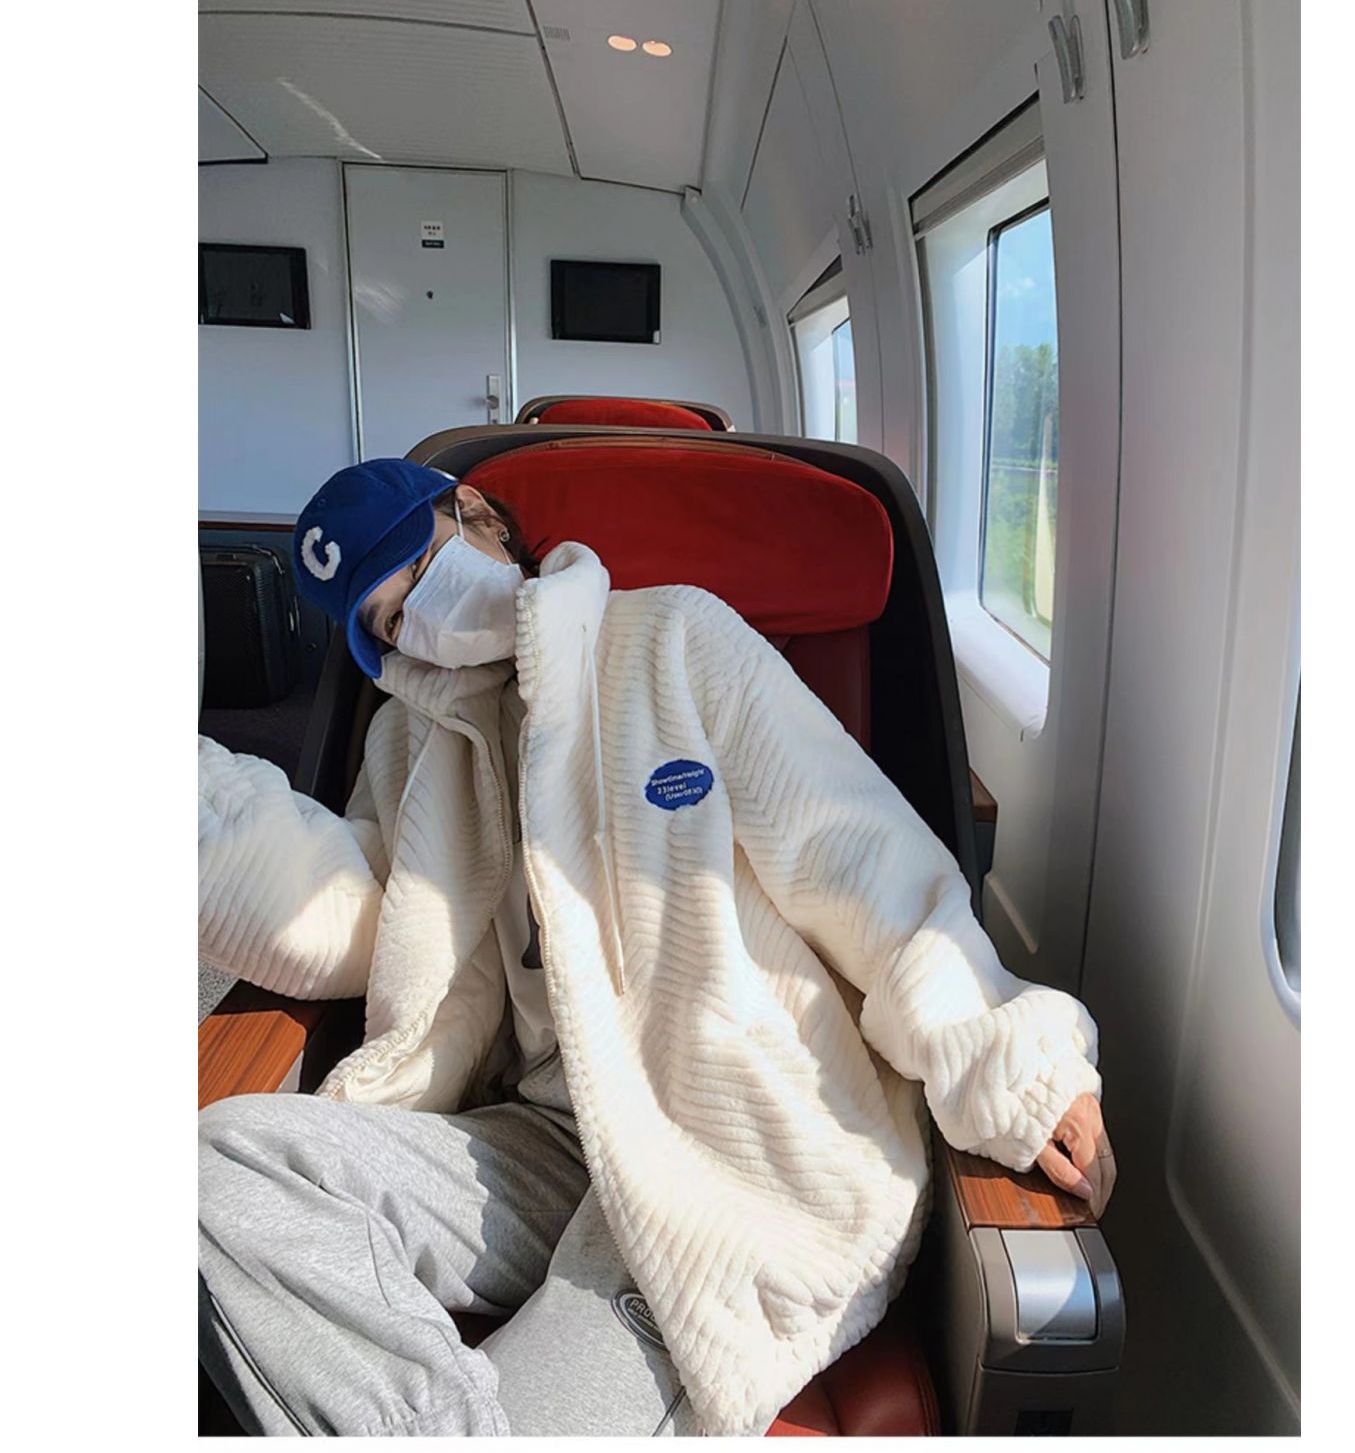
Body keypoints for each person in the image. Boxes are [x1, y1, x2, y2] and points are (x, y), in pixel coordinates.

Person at [198, 458, 1116, 1438]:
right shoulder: (413, 745)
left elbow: (860, 865)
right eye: (388, 623)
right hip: (541, 1140)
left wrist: (1010, 1064)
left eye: (418, 573)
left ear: (475, 515)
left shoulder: (674, 638)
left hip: (723, 1156)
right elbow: (378, 923)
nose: (419, 621)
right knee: (218, 1170)